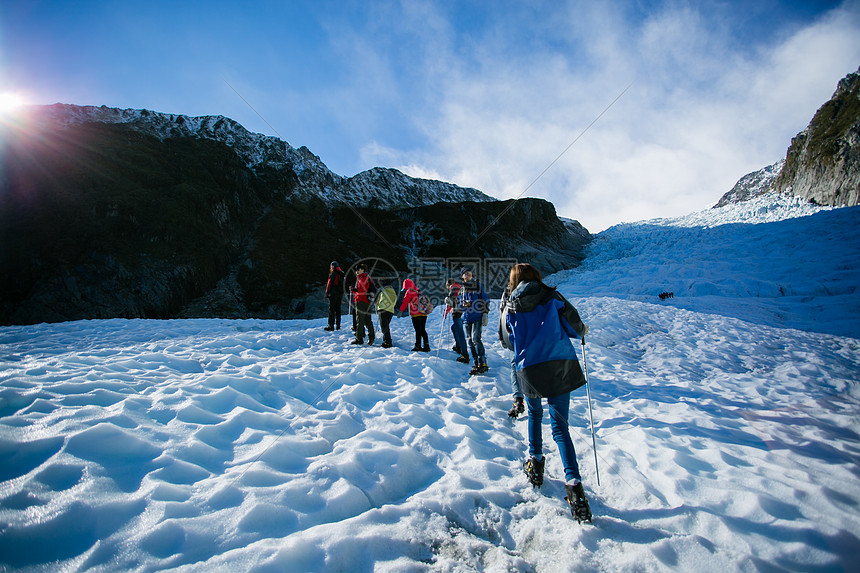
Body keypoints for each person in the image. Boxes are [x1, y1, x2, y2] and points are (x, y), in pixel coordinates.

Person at [500, 262, 592, 522]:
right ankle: (574, 487)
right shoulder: (552, 295)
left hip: (529, 367)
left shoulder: (511, 304)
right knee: (561, 427)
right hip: (559, 363)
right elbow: (575, 327)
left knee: (535, 415)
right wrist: (583, 332)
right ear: (536, 276)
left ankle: (535, 464)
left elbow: (507, 340)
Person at [499, 285, 524, 418]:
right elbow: (502, 313)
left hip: (515, 337)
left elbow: (502, 313)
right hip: (516, 337)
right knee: (515, 366)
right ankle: (519, 398)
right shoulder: (508, 291)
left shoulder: (509, 291)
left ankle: (519, 399)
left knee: (515, 367)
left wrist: (502, 334)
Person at [459, 267, 489, 375]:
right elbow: (460, 304)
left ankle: (483, 362)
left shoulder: (477, 285)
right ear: (462, 276)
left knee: (476, 339)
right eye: (466, 274)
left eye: (470, 273)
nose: (468, 275)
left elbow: (485, 298)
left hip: (477, 316)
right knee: (469, 341)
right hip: (466, 318)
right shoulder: (462, 289)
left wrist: (485, 313)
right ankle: (476, 363)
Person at [399, 278, 430, 352]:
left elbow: (405, 302)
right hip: (423, 313)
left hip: (416, 314)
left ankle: (418, 345)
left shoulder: (409, 291)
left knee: (418, 330)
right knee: (423, 329)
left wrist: (400, 311)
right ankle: (426, 345)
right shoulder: (419, 290)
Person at [445, 278, 470, 364]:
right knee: (454, 328)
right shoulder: (459, 287)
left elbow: (451, 301)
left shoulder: (453, 287)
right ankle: (459, 346)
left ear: (449, 284)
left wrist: (447, 300)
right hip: (462, 311)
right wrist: (446, 312)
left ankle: (464, 353)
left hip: (457, 312)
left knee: (460, 332)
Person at [351, 264, 377, 345]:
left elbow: (361, 291)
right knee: (368, 320)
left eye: (358, 270)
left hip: (361, 301)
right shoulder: (368, 278)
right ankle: (371, 337)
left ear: (362, 270)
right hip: (368, 302)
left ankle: (359, 338)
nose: (356, 271)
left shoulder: (362, 278)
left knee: (360, 320)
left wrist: (354, 290)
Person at [376, 280, 397, 348]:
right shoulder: (394, 293)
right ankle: (387, 340)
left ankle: (387, 341)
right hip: (390, 310)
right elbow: (395, 301)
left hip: (382, 309)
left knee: (384, 326)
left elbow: (378, 300)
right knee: (386, 326)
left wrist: (377, 307)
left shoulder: (383, 292)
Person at [324, 261, 345, 331]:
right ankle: (338, 325)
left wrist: (327, 292)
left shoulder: (333, 273)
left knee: (332, 309)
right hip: (340, 293)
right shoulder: (342, 273)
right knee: (338, 309)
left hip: (333, 293)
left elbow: (329, 283)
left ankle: (331, 325)